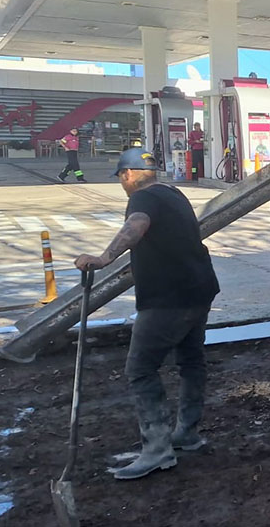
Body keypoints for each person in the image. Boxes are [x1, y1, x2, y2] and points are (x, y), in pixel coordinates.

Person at [74, 148, 220, 480]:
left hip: (168, 299)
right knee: (191, 361)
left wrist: (104, 257)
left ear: (127, 174)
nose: (122, 183)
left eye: (121, 178)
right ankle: (187, 433)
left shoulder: (142, 198)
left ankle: (156, 449)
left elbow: (137, 225)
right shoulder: (173, 194)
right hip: (199, 290)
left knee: (140, 369)